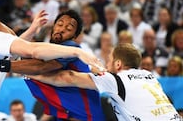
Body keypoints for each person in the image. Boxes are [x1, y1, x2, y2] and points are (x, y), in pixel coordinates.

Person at [0, 10, 107, 121]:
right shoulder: (44, 50)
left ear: (74, 36)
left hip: (87, 116)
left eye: (68, 29)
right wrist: (32, 29)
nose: (62, 29)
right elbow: (16, 46)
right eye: (60, 24)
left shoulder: (70, 48)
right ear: (53, 26)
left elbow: (40, 67)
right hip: (66, 115)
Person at [27, 43, 182, 121]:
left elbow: (68, 77)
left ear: (118, 64)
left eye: (109, 61)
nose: (107, 65)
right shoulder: (149, 76)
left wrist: (34, 74)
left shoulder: (116, 80)